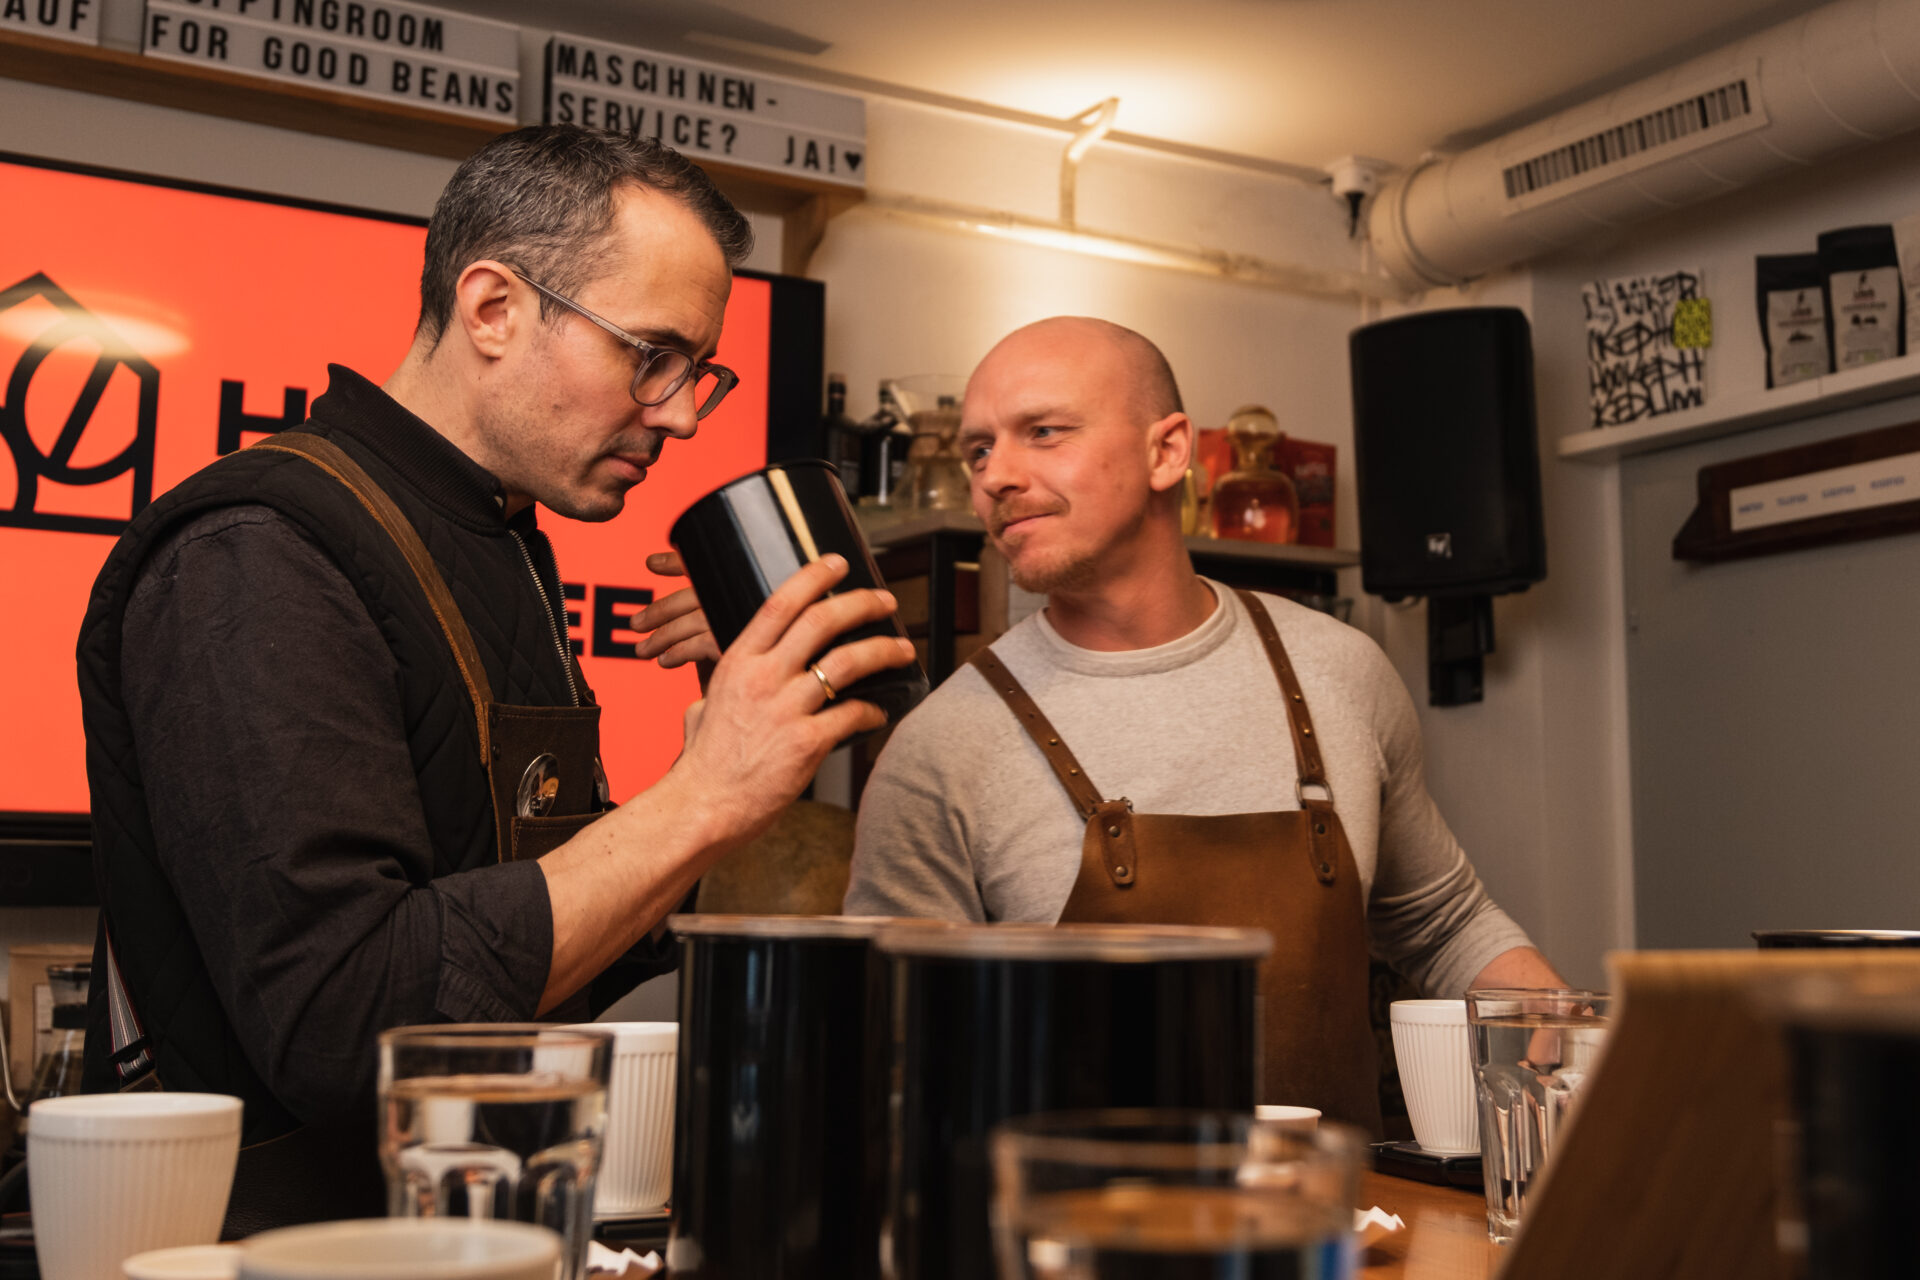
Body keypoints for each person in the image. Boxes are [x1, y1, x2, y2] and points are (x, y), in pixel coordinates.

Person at [76, 125, 912, 1224]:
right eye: (651, 355)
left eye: (699, 372)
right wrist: (700, 798)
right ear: (492, 309)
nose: (681, 413)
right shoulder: (256, 549)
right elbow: (346, 1025)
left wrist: (725, 770)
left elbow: (542, 947)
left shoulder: (504, 544)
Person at [844, 316, 1563, 1132]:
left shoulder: (1341, 672)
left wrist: (1557, 1025)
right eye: (978, 451)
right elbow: (888, 1061)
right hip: (1073, 1213)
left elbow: (1443, 922)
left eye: (1043, 432)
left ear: (1167, 452)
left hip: (1345, 1209)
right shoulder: (939, 747)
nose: (995, 477)